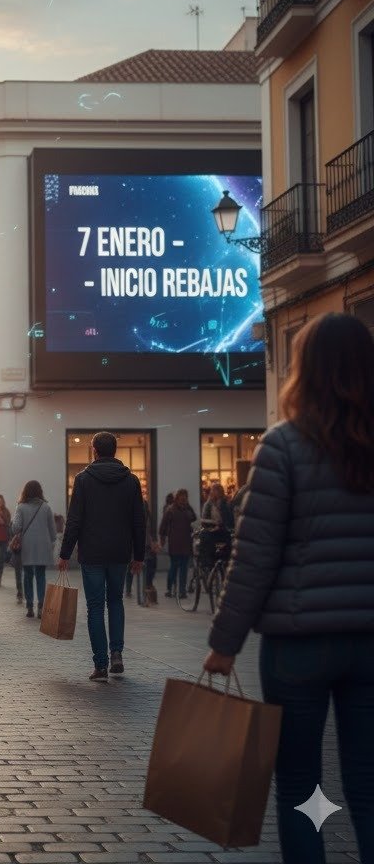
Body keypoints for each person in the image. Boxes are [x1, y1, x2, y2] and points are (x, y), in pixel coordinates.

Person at [203, 314, 374, 864]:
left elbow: (254, 558)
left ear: (303, 372)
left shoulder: (282, 447)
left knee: (300, 782)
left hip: (299, 644)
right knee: (369, 782)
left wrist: (225, 642)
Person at [58, 431, 145, 682]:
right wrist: (138, 554)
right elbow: (139, 521)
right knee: (115, 602)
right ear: (115, 451)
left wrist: (65, 553)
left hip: (92, 552)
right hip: (120, 552)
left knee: (96, 607)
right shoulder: (131, 481)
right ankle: (116, 652)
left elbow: (74, 520)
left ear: (94, 450)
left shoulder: (84, 480)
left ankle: (101, 665)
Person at [11, 481, 56, 619]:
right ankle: (41, 605)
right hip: (43, 545)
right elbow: (53, 531)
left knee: (28, 575)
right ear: (39, 491)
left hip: (27, 546)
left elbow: (16, 528)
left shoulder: (21, 507)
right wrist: (51, 542)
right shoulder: (46, 507)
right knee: (41, 576)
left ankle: (30, 606)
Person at [159, 488, 196, 598]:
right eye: (182, 496)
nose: (184, 499)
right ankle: (170, 588)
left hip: (186, 543)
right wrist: (162, 538)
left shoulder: (188, 509)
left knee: (184, 568)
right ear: (177, 498)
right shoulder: (171, 510)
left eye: (185, 497)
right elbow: (163, 526)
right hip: (174, 543)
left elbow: (194, 519)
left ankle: (182, 591)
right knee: (174, 567)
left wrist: (189, 507)